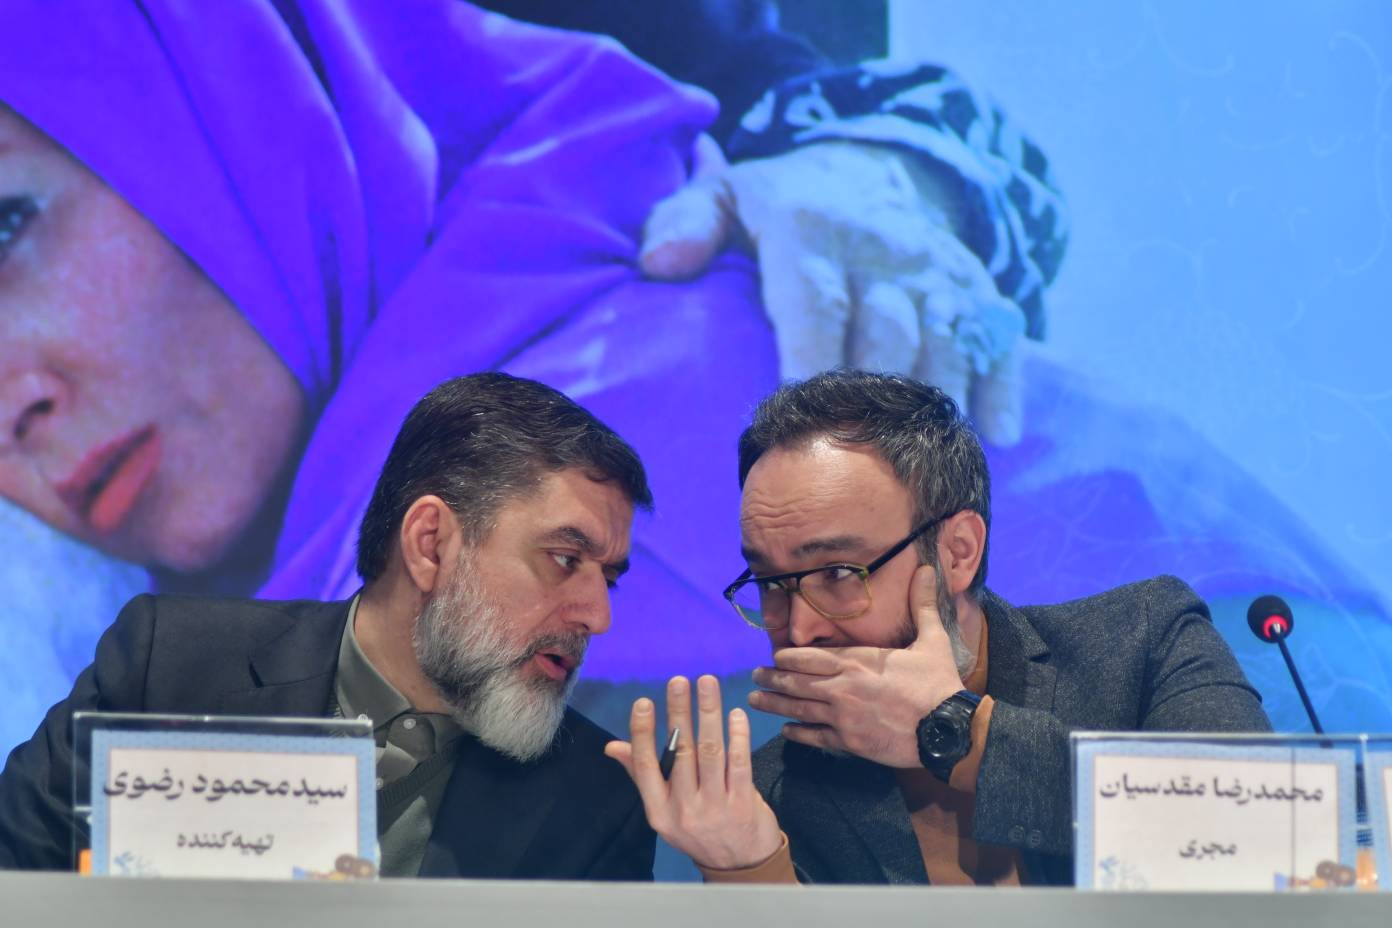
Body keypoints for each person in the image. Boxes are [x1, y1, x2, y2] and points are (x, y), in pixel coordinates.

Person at [607, 370, 1273, 885]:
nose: (799, 628)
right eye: (771, 583)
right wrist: (748, 869)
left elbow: (1261, 834)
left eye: (837, 572)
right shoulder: (775, 790)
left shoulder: (1143, 640)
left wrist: (955, 732)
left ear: (957, 552)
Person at [0, 373, 658, 878]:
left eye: (608, 578)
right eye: (565, 560)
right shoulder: (169, 664)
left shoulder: (597, 800)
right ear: (431, 545)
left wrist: (720, 873)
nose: (598, 616)